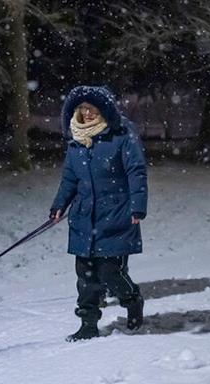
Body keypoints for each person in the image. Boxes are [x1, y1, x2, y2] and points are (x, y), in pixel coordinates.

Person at [50, 85, 148, 342]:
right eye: (82, 108)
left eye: (92, 108)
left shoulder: (121, 135)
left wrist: (137, 206)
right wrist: (59, 204)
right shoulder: (76, 140)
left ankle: (132, 300)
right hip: (83, 217)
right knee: (86, 276)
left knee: (110, 272)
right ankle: (88, 324)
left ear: (104, 110)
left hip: (116, 214)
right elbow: (70, 178)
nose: (87, 113)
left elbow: (135, 171)